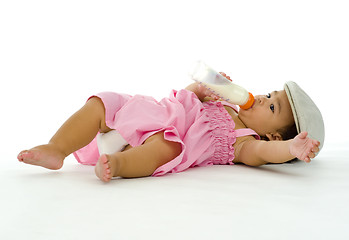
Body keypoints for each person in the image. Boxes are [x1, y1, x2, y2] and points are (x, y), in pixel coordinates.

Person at [17, 73, 325, 182]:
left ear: (272, 134)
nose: (262, 98)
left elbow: (265, 152)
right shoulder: (227, 102)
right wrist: (203, 88)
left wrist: (290, 149)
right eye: (270, 94)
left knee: (165, 149)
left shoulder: (242, 142)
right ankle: (57, 148)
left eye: (273, 106)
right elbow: (188, 94)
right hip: (149, 113)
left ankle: (119, 164)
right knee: (103, 102)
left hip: (166, 137)